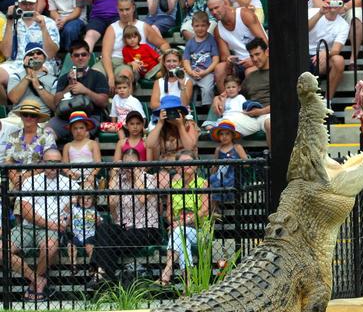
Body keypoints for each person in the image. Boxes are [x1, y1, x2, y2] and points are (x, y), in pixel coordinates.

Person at [11, 147, 79, 300]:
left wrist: (64, 222)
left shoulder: (70, 185)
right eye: (49, 162)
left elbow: (71, 214)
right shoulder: (30, 181)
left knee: (50, 248)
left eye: (56, 162)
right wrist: (50, 224)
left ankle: (33, 284)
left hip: (53, 230)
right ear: (42, 162)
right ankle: (37, 280)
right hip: (27, 226)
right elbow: (25, 210)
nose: (53, 166)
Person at [91, 148, 161, 285]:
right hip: (123, 228)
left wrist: (136, 174)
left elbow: (141, 198)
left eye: (132, 164)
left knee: (105, 243)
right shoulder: (119, 181)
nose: (128, 168)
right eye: (126, 164)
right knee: (103, 229)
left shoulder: (150, 179)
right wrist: (115, 175)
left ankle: (101, 273)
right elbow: (111, 205)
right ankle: (103, 273)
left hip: (146, 229)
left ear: (139, 163)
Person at [158, 149, 209, 286]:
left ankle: (166, 272)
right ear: (176, 167)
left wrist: (183, 222)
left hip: (199, 231)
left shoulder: (202, 183)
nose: (185, 166)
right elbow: (168, 215)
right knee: (181, 238)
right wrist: (175, 223)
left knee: (179, 232)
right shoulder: (173, 186)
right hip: (179, 231)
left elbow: (204, 211)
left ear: (196, 165)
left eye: (189, 163)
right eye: (181, 163)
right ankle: (188, 283)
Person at [98, 0, 169, 90]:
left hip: (131, 64)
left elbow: (163, 43)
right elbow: (105, 55)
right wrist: (110, 76)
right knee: (95, 74)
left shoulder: (143, 26)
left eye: (127, 9)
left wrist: (165, 56)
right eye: (121, 10)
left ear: (133, 8)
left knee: (124, 76)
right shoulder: (112, 28)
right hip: (111, 61)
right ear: (117, 10)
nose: (124, 13)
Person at [209, 37, 270, 144]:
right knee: (225, 127)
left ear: (267, 52)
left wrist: (261, 111)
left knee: (269, 124)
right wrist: (217, 98)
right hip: (250, 117)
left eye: (257, 54)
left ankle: (274, 159)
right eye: (251, 56)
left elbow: (282, 104)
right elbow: (231, 93)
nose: (254, 59)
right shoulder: (251, 76)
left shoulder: (277, 73)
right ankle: (231, 158)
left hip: (268, 114)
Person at [0, 0, 59, 90]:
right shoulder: (12, 22)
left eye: (31, 3)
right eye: (24, 4)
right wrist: (9, 21)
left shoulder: (49, 23)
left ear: (36, 3)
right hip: (16, 64)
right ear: (17, 4)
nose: (27, 7)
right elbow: (6, 53)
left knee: (38, 75)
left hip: (42, 63)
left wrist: (43, 28)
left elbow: (50, 55)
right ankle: (6, 106)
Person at [50, 39, 109, 139]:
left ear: (89, 56)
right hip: (66, 117)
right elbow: (55, 103)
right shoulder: (64, 77)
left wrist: (85, 91)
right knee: (47, 134)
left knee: (81, 136)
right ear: (72, 58)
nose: (80, 58)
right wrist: (68, 88)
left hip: (90, 117)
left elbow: (104, 102)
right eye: (76, 55)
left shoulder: (98, 76)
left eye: (83, 54)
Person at [208, 0, 267, 92]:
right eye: (211, 10)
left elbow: (264, 42)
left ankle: (254, 104)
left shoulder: (244, 14)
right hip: (240, 63)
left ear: (225, 4)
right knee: (219, 68)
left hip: (259, 57)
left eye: (216, 7)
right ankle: (227, 101)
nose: (214, 12)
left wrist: (253, 60)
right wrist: (229, 60)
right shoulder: (217, 30)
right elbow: (224, 56)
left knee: (249, 72)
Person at [1, 100, 56, 188]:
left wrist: (25, 177)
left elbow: (48, 161)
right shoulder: (14, 136)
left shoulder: (47, 136)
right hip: (15, 179)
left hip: (40, 179)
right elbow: (8, 161)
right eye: (25, 114)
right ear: (21, 117)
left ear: (38, 118)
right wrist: (15, 178)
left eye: (33, 115)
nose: (28, 118)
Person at [308, 0, 349, 99]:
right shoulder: (312, 12)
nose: (334, 3)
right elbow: (303, 30)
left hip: (320, 58)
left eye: (338, 0)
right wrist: (320, 13)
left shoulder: (343, 25)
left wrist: (326, 53)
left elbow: (337, 49)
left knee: (339, 61)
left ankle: (327, 101)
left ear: (341, 4)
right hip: (302, 53)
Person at [6, 43, 58, 121]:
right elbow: (14, 98)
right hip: (16, 118)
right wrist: (28, 76)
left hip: (41, 119)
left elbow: (54, 106)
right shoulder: (16, 76)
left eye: (39, 53)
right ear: (24, 59)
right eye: (30, 54)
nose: (35, 56)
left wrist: (38, 87)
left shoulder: (54, 80)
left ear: (44, 58)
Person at [145, 95, 199, 162]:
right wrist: (160, 123)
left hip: (185, 166)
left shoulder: (189, 125)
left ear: (180, 112)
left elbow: (190, 148)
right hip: (165, 168)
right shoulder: (161, 127)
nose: (171, 114)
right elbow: (149, 145)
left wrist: (180, 126)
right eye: (168, 111)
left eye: (174, 110)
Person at [182, 11, 219, 109]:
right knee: (184, 83)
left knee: (207, 89)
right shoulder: (190, 42)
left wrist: (206, 72)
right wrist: (190, 72)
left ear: (208, 25)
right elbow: (186, 60)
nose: (200, 28)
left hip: (206, 72)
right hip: (192, 71)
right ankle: (185, 107)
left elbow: (215, 59)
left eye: (203, 25)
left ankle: (209, 110)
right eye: (197, 26)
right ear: (192, 26)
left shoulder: (211, 40)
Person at [209, 119, 247, 207]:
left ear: (232, 136)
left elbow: (246, 163)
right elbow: (215, 166)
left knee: (221, 182)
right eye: (221, 134)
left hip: (234, 176)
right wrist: (212, 172)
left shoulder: (237, 147)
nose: (224, 136)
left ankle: (214, 208)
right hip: (221, 174)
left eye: (227, 134)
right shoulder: (218, 149)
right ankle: (214, 208)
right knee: (213, 180)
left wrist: (235, 162)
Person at [62, 110, 101, 186]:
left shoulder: (93, 143)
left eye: (81, 128)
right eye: (75, 128)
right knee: (71, 192)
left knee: (87, 189)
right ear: (71, 130)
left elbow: (98, 163)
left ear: (86, 129)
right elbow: (65, 166)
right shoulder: (67, 146)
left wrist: (91, 175)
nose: (78, 131)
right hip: (73, 178)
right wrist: (70, 175)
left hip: (89, 177)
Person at [65, 192, 99, 269]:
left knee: (90, 247)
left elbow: (99, 222)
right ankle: (73, 264)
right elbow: (65, 210)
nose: (86, 200)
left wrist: (97, 219)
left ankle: (92, 264)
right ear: (78, 200)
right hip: (76, 235)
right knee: (71, 245)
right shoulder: (74, 209)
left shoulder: (94, 211)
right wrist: (70, 202)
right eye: (83, 198)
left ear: (93, 201)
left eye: (89, 198)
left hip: (90, 235)